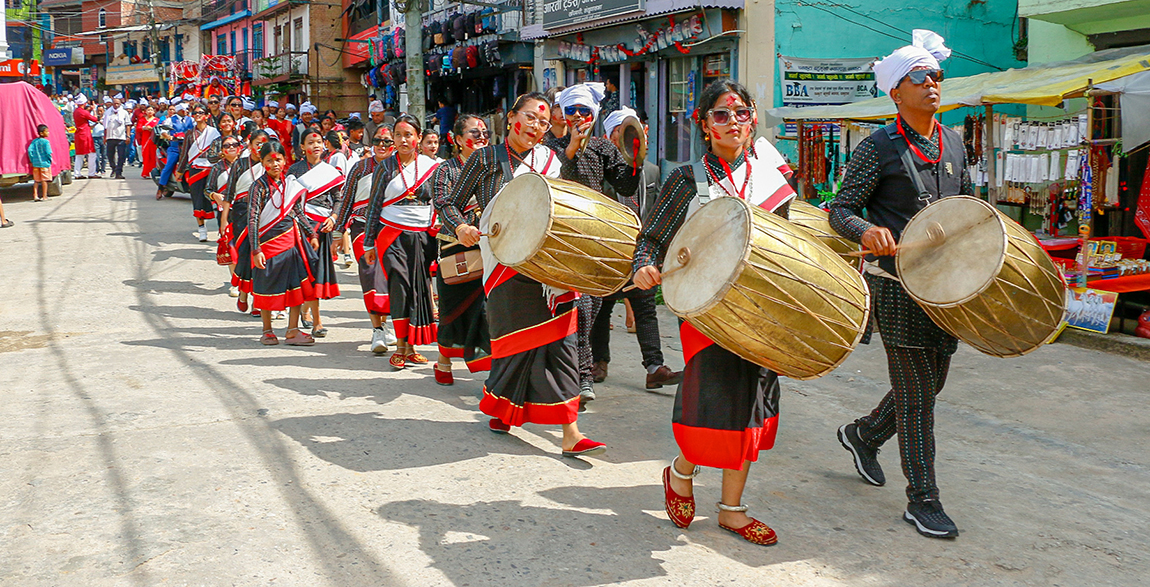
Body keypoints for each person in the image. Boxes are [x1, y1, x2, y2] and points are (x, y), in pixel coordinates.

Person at [633, 79, 797, 546]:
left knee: (753, 404)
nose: (732, 123)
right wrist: (645, 265)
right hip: (705, 310)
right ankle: (682, 471)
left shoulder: (773, 178)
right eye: (720, 115)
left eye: (741, 113)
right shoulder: (687, 179)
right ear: (704, 126)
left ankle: (732, 509)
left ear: (752, 119)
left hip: (758, 307)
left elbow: (788, 246)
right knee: (713, 400)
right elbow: (651, 239)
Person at [828, 31, 967, 540]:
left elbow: (968, 208)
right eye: (919, 77)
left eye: (936, 76)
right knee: (916, 395)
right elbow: (838, 210)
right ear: (895, 92)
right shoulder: (878, 147)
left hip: (947, 286)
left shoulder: (953, 141)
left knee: (933, 382)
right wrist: (865, 230)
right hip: (896, 285)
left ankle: (862, 434)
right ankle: (923, 499)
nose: (931, 84)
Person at [443, 92, 605, 458]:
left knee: (561, 343)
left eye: (544, 123)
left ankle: (571, 432)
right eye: (529, 117)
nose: (536, 127)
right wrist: (460, 227)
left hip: (549, 265)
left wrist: (576, 153)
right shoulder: (487, 157)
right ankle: (503, 410)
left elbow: (571, 202)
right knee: (513, 346)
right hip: (503, 265)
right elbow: (449, 202)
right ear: (511, 117)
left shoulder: (550, 159)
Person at [543, 82, 642, 405]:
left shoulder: (603, 148)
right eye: (572, 110)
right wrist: (571, 147)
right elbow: (554, 177)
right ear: (562, 113)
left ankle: (570, 373)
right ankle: (582, 377)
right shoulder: (549, 146)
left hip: (595, 236)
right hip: (561, 236)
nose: (577, 116)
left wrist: (635, 158)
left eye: (584, 111)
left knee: (592, 307)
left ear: (594, 114)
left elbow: (625, 185)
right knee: (580, 307)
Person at [590, 106, 682, 390]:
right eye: (627, 132)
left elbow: (657, 211)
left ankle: (654, 367)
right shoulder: (597, 169)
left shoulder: (652, 170)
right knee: (601, 308)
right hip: (607, 251)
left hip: (640, 252)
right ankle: (598, 361)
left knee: (645, 310)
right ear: (612, 135)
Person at [362, 115, 441, 369]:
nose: (403, 139)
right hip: (391, 234)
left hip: (421, 235)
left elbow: (437, 198)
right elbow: (374, 205)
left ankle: (411, 347)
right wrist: (368, 242)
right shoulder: (385, 168)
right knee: (399, 286)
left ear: (418, 138)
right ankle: (400, 345)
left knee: (418, 288)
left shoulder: (430, 166)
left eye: (408, 135)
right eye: (398, 135)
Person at [430, 114, 492, 385]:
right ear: (457, 140)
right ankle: (444, 360)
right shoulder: (446, 170)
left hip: (491, 249)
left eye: (484, 133)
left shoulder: (494, 167)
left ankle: (491, 366)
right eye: (473, 134)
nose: (480, 138)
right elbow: (443, 203)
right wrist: (463, 228)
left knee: (488, 310)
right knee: (452, 309)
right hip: (455, 246)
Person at [331, 125, 399, 353]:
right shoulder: (360, 168)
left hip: (393, 228)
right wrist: (338, 234)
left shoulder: (402, 169)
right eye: (378, 140)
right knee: (370, 273)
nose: (382, 145)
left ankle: (391, 326)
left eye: (388, 141)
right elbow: (347, 200)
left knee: (392, 277)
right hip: (362, 228)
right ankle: (377, 330)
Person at [248, 140, 320, 346]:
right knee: (266, 284)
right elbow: (252, 218)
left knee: (294, 285)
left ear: (284, 160)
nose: (275, 164)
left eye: (278, 159)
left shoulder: (290, 185)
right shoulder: (257, 187)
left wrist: (312, 234)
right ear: (262, 162)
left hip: (290, 242)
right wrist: (256, 249)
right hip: (267, 244)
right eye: (269, 160)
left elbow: (298, 212)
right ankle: (267, 330)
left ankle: (292, 330)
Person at [287, 128, 344, 339]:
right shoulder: (294, 170)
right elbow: (291, 202)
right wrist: (307, 227)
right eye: (311, 142)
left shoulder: (330, 172)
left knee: (316, 272)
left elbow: (339, 199)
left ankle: (307, 311)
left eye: (319, 141)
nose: (316, 146)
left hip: (323, 226)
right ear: (302, 147)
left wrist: (334, 218)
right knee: (305, 271)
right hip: (302, 227)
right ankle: (316, 321)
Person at [227, 126, 271, 314]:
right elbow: (229, 193)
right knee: (246, 254)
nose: (260, 147)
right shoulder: (240, 164)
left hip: (265, 214)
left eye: (264, 144)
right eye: (257, 144)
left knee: (261, 255)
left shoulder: (271, 163)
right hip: (241, 214)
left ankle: (256, 300)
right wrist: (223, 220)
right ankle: (245, 292)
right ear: (249, 144)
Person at [176, 104, 222, 242]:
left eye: (200, 112)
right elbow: (185, 153)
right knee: (197, 199)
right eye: (195, 113)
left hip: (212, 169)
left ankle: (222, 228)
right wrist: (180, 170)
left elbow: (219, 151)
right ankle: (202, 228)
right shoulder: (190, 134)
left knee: (218, 199)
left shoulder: (214, 132)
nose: (197, 115)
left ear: (207, 115)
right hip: (195, 169)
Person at [207, 134, 243, 296]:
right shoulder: (217, 168)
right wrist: (214, 195)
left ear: (240, 147)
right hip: (225, 212)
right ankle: (235, 282)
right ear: (222, 150)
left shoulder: (247, 166)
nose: (231, 148)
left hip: (244, 209)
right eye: (227, 146)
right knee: (231, 245)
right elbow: (207, 189)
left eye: (234, 144)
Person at [102, 97, 132, 179]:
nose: (116, 105)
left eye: (118, 103)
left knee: (121, 155)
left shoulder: (124, 112)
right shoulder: (108, 112)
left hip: (121, 137)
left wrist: (128, 136)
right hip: (110, 136)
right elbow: (105, 125)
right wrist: (105, 137)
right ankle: (113, 168)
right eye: (114, 103)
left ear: (120, 104)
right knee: (110, 155)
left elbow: (128, 124)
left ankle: (119, 172)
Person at [71, 95, 98, 179]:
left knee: (79, 155)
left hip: (79, 134)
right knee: (92, 154)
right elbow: (95, 119)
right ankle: (91, 173)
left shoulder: (76, 111)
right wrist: (94, 110)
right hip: (85, 134)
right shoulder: (83, 112)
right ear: (84, 103)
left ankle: (77, 173)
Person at [28, 124, 53, 203]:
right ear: (42, 133)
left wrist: (32, 160)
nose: (48, 133)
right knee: (44, 180)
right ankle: (44, 196)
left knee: (36, 180)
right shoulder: (46, 142)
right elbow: (48, 152)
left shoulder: (34, 141)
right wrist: (50, 160)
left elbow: (29, 151)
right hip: (44, 163)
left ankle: (35, 195)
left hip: (35, 164)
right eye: (47, 131)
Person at [137, 105, 159, 178]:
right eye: (148, 110)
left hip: (153, 140)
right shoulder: (142, 120)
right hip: (145, 140)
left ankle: (153, 172)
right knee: (146, 156)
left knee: (153, 156)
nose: (150, 111)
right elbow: (138, 128)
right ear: (145, 111)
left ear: (154, 111)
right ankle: (145, 173)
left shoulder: (157, 120)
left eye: (151, 110)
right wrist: (145, 128)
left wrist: (153, 128)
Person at [92, 106, 107, 177]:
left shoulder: (106, 118)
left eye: (101, 111)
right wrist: (95, 122)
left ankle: (103, 169)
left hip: (103, 137)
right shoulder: (93, 118)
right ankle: (97, 169)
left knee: (104, 155)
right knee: (96, 155)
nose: (100, 112)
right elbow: (90, 126)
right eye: (98, 111)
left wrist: (102, 122)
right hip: (95, 137)